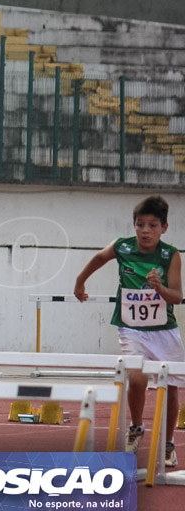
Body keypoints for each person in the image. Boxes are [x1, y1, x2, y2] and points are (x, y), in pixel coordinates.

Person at [75, 195, 183, 467]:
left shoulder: (171, 255)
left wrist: (160, 288)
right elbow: (99, 258)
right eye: (140, 224)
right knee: (136, 379)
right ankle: (136, 426)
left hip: (164, 331)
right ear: (134, 225)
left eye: (153, 225)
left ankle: (168, 442)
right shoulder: (122, 247)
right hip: (131, 328)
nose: (146, 230)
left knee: (170, 387)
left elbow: (177, 297)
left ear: (164, 228)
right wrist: (80, 281)